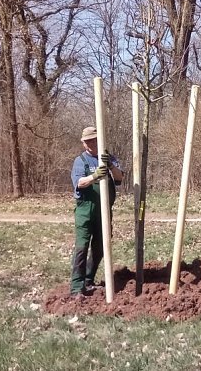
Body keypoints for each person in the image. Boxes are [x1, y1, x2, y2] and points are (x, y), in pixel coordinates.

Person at [69, 126, 124, 298]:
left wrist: (110, 165)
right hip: (85, 211)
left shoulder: (108, 158)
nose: (91, 144)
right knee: (82, 248)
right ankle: (77, 287)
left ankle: (88, 279)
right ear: (83, 143)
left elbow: (119, 177)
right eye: (87, 142)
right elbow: (79, 183)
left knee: (100, 247)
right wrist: (94, 176)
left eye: (93, 140)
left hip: (104, 212)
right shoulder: (80, 161)